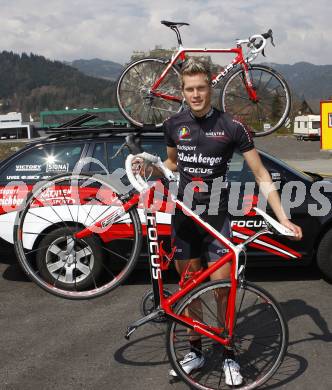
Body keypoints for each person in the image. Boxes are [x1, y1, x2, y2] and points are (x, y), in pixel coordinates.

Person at [158, 58, 302, 385]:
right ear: (182, 91)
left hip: (217, 219)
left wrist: (283, 217)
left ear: (211, 86)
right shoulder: (173, 124)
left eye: (201, 88)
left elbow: (261, 173)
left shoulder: (232, 126)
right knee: (190, 288)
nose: (196, 94)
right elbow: (170, 164)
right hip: (184, 218)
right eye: (190, 89)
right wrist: (150, 169)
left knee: (225, 290)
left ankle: (228, 354)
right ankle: (195, 349)